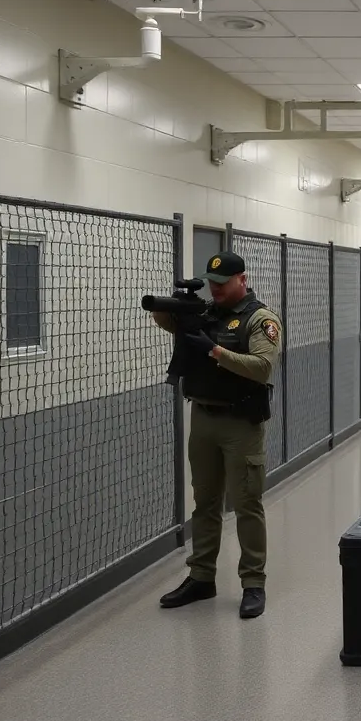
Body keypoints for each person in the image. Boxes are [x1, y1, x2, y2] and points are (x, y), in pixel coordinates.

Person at [150, 251, 283, 620]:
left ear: (242, 279)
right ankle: (201, 577)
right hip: (204, 418)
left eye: (223, 284)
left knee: (246, 503)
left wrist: (215, 351)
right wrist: (173, 308)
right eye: (212, 284)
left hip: (241, 423)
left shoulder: (261, 319)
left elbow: (262, 367)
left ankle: (253, 583)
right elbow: (167, 324)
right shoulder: (206, 313)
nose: (216, 290)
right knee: (205, 503)